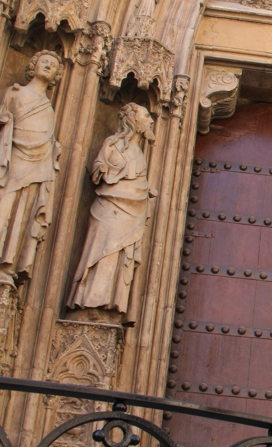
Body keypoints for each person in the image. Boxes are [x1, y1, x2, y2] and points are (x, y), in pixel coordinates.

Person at [68, 103, 156, 317]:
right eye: (146, 115)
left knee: (121, 257)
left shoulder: (139, 153)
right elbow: (99, 169)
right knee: (102, 253)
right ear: (133, 121)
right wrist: (107, 171)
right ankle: (89, 303)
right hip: (109, 211)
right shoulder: (113, 144)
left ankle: (110, 306)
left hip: (130, 215)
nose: (151, 121)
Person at [0, 51, 62, 283]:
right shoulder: (15, 93)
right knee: (4, 206)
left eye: (53, 65)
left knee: (22, 212)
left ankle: (8, 263)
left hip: (37, 166)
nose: (48, 66)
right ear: (33, 65)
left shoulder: (49, 108)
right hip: (13, 161)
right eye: (44, 62)